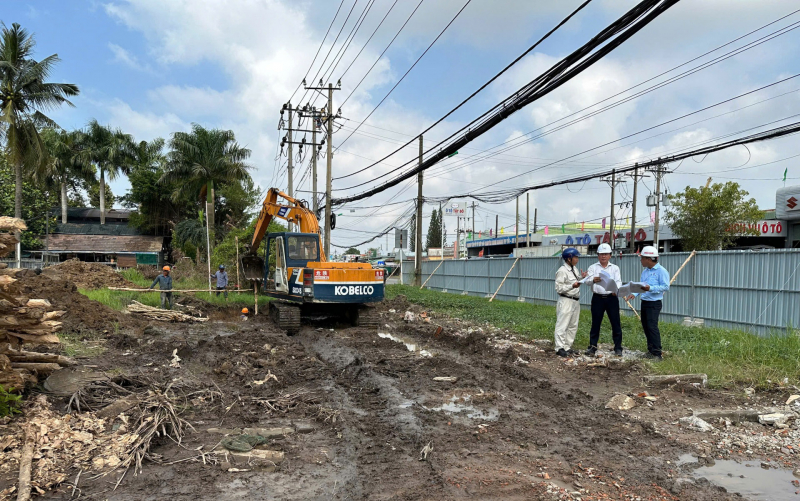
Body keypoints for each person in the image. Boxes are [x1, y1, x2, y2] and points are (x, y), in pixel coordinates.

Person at [626, 246, 670, 361]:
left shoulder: (661, 271)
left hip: (654, 304)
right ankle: (650, 351)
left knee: (652, 327)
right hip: (644, 302)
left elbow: (665, 286)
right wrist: (634, 294)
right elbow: (642, 285)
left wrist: (650, 288)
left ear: (648, 259)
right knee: (646, 327)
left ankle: (657, 353)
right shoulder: (645, 271)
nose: (641, 261)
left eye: (642, 258)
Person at [583, 243, 623, 357]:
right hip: (598, 298)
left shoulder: (615, 268)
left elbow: (618, 281)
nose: (603, 256)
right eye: (601, 254)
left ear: (610, 255)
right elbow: (587, 280)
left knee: (615, 322)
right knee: (595, 323)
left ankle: (618, 347)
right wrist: (593, 280)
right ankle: (592, 346)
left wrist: (617, 289)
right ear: (598, 255)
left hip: (611, 298)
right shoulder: (593, 267)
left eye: (605, 254)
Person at [554, 248, 587, 357]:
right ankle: (559, 347)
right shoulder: (562, 271)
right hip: (566, 299)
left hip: (575, 300)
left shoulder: (574, 269)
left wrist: (582, 277)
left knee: (573, 325)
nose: (577, 259)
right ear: (569, 259)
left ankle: (567, 346)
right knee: (562, 324)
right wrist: (572, 286)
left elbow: (575, 281)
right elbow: (559, 288)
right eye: (575, 257)